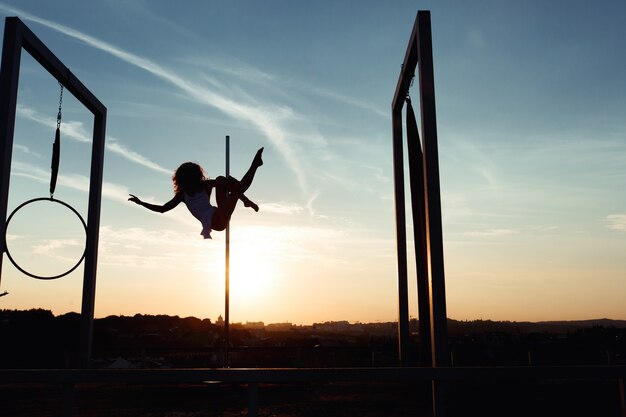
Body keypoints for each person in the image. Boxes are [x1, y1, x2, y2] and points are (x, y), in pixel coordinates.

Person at [129, 147, 263, 239]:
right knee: (234, 190)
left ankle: (246, 199)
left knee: (223, 180)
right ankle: (254, 167)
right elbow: (162, 209)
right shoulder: (183, 195)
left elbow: (229, 185)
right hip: (216, 222)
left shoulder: (203, 185)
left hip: (219, 213)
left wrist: (232, 186)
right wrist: (141, 203)